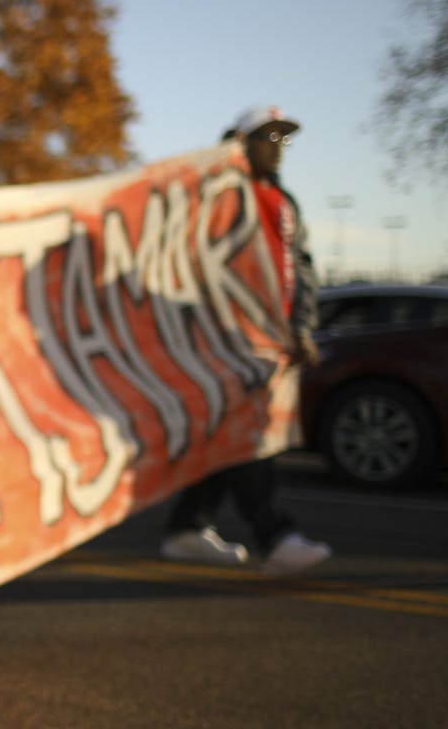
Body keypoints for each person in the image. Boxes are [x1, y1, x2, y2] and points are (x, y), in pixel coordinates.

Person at [159, 106, 332, 577]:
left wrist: (301, 327)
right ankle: (274, 536)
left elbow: (303, 271)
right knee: (248, 434)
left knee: (230, 437)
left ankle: (186, 527)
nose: (277, 146)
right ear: (239, 142)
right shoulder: (215, 199)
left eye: (282, 138)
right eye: (266, 136)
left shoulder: (283, 202)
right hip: (224, 340)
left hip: (268, 342)